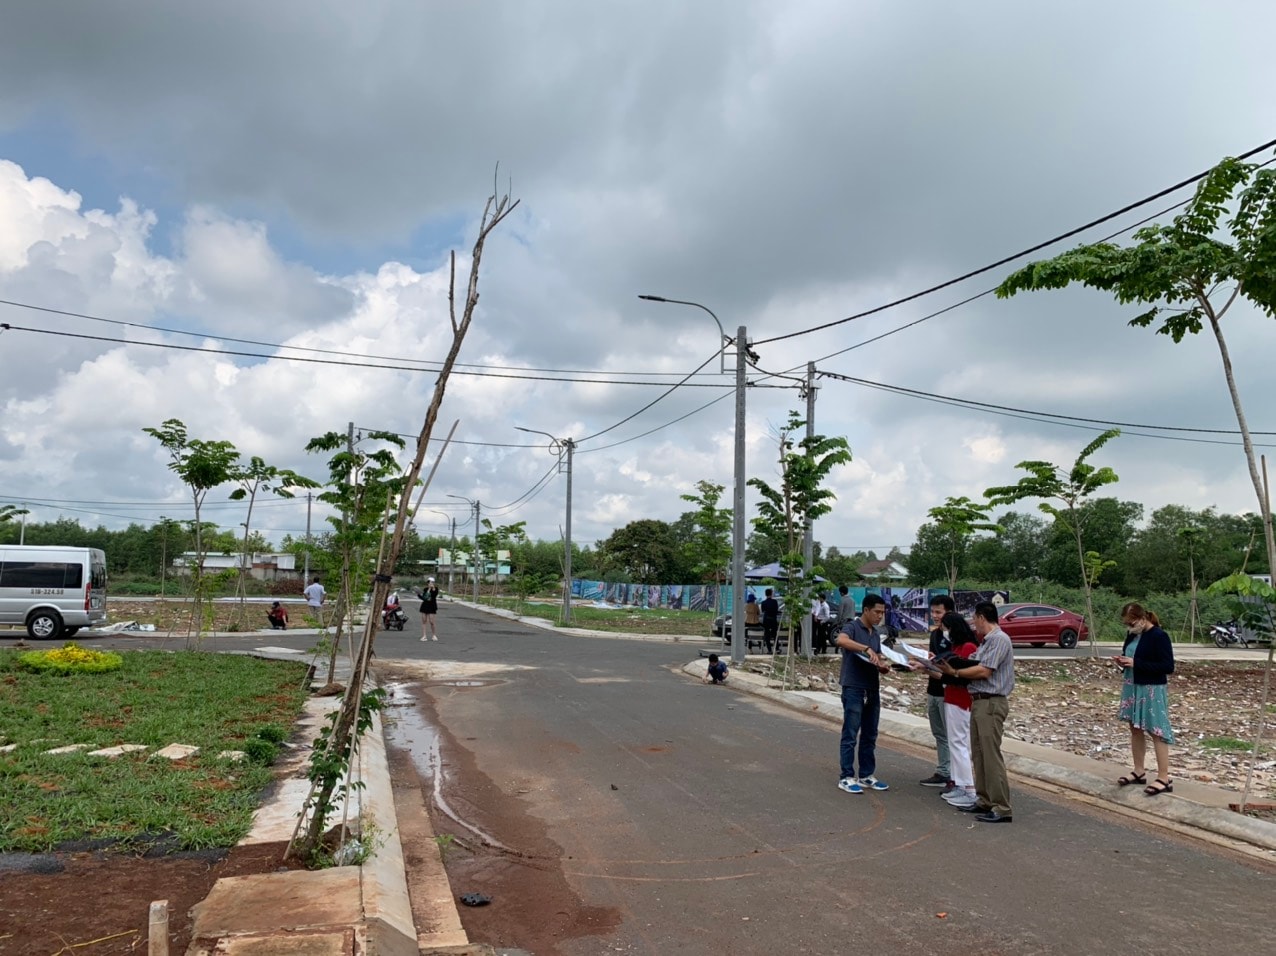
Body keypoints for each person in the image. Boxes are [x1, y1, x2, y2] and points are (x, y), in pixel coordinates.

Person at [936, 601, 1014, 823]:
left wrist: (956, 673)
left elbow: (983, 670)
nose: (973, 624)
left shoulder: (999, 639)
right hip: (979, 702)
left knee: (990, 756)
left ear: (981, 617)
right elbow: (971, 662)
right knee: (979, 755)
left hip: (991, 702)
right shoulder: (986, 642)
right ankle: (984, 800)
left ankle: (1001, 806)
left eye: (974, 619)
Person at [1115, 602, 1176, 796]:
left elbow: (1167, 666)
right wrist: (1124, 662)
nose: (1130, 627)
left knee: (1156, 730)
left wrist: (1136, 663)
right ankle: (1139, 770)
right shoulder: (1133, 635)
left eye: (1132, 623)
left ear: (1143, 619)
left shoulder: (1159, 636)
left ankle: (1164, 777)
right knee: (1135, 728)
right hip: (1132, 684)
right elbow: (1131, 656)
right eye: (1127, 624)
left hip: (1151, 688)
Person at [834, 593, 893, 794]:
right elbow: (841, 641)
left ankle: (867, 774)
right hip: (854, 687)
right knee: (850, 733)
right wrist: (865, 648)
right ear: (866, 610)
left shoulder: (875, 634)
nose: (879, 616)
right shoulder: (852, 627)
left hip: (872, 688)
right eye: (877, 612)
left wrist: (882, 666)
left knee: (870, 733)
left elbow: (875, 658)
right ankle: (846, 776)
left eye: (882, 613)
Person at [937, 612, 981, 810]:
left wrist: (948, 671)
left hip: (961, 701)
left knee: (959, 744)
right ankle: (959, 783)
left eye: (946, 628)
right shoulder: (956, 647)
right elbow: (948, 676)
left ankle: (969, 789)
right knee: (956, 743)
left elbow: (964, 676)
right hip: (952, 698)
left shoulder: (968, 648)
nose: (944, 632)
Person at [918, 594, 954, 788]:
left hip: (947, 692)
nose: (935, 616)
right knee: (939, 733)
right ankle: (943, 771)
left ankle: (953, 776)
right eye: (932, 612)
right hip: (932, 689)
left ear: (949, 612)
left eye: (938, 612)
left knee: (950, 735)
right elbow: (934, 661)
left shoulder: (955, 637)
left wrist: (928, 666)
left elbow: (949, 667)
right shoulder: (935, 634)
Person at [760, 588, 781, 654]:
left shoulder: (763, 602)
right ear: (771, 594)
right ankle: (777, 648)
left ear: (765, 594)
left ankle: (769, 650)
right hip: (773, 619)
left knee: (767, 635)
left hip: (766, 620)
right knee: (775, 634)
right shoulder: (774, 602)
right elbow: (776, 610)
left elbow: (763, 611)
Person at [811, 591, 832, 655]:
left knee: (822, 636)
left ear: (822, 598)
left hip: (822, 622)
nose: (818, 599)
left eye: (819, 598)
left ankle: (823, 649)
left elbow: (827, 616)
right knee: (819, 636)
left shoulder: (825, 606)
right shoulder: (820, 604)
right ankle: (819, 648)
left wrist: (822, 622)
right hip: (819, 620)